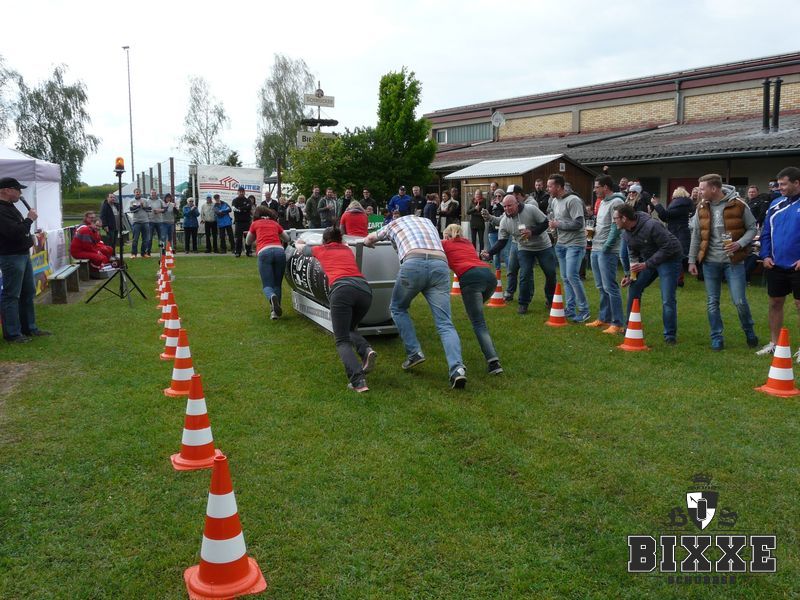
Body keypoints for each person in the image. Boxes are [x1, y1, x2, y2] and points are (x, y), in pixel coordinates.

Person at [364, 215, 467, 389]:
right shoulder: (428, 222)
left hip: (413, 264)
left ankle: (414, 353)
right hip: (440, 265)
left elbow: (369, 239)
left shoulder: (393, 224)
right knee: (445, 323)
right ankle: (457, 369)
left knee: (397, 308)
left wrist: (368, 243)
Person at [296, 226, 376, 392]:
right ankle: (365, 350)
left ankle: (358, 381)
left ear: (324, 241)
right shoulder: (347, 249)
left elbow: (301, 248)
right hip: (364, 291)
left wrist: (299, 241)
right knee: (349, 328)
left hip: (341, 291)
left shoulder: (320, 249)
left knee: (342, 340)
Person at [687, 174, 759, 351]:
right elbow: (696, 235)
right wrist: (691, 260)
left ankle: (749, 331)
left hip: (733, 261)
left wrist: (739, 243)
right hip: (710, 262)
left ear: (714, 188)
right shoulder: (701, 207)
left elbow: (752, 228)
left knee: (739, 301)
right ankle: (716, 337)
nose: (699, 192)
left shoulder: (738, 204)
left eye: (702, 188)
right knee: (712, 302)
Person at [616, 203, 683, 345]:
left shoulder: (652, 225)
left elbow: (668, 247)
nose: (614, 221)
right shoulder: (626, 233)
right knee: (634, 288)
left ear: (624, 218)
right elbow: (633, 254)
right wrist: (630, 276)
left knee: (667, 298)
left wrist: (646, 264)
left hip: (670, 258)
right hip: (649, 260)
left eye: (615, 218)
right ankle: (630, 327)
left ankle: (670, 336)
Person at [442, 224, 503, 374]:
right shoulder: (468, 242)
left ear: (447, 236)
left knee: (478, 323)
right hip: (489, 277)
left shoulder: (444, 244)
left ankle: (494, 362)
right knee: (476, 313)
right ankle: (474, 311)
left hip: (470, 279)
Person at [482, 193, 556, 314]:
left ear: (517, 203)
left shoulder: (530, 209)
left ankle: (551, 299)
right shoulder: (504, 222)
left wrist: (532, 232)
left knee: (550, 273)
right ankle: (523, 303)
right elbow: (502, 242)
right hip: (524, 248)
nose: (507, 209)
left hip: (543, 246)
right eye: (505, 206)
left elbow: (545, 223)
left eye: (509, 205)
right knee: (524, 274)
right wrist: (490, 253)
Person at [755, 166, 800, 358]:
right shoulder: (775, 204)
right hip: (775, 264)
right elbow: (766, 232)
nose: (779, 187)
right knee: (775, 302)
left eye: (783, 184)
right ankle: (774, 343)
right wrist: (765, 255)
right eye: (778, 184)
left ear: (796, 183)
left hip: (797, 265)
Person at [0, 177, 50, 342]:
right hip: (11, 256)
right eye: (17, 189)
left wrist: (27, 221)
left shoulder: (10, 207)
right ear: (7, 190)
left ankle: (29, 328)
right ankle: (13, 334)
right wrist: (29, 219)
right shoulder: (1, 209)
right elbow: (14, 232)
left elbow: (19, 230)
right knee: (12, 295)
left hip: (22, 254)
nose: (20, 193)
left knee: (27, 292)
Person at [548, 173, 590, 322]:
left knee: (572, 276)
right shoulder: (554, 201)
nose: (548, 189)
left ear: (559, 186)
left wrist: (558, 224)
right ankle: (570, 309)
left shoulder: (573, 200)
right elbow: (556, 220)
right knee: (566, 278)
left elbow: (578, 223)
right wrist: (554, 227)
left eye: (550, 186)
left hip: (575, 244)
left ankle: (584, 310)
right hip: (561, 244)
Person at [586, 175, 626, 333]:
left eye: (597, 187)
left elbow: (616, 227)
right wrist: (591, 233)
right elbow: (602, 225)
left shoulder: (616, 202)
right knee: (601, 286)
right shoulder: (602, 202)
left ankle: (617, 323)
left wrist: (607, 246)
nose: (594, 190)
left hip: (607, 250)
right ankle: (604, 318)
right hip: (596, 247)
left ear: (606, 187)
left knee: (610, 286)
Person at [245, 206, 290, 320]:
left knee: (267, 285)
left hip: (264, 252)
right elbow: (286, 238)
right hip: (279, 251)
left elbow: (248, 241)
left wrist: (257, 238)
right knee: (277, 284)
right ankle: (274, 313)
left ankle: (271, 296)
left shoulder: (255, 224)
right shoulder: (274, 223)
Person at [652, 187, 692, 284]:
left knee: (677, 256)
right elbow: (666, 217)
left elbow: (666, 215)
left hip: (679, 233)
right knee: (676, 256)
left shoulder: (680, 205)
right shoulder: (682, 205)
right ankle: (676, 278)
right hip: (678, 232)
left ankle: (678, 279)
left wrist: (656, 204)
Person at [486, 189, 507, 270]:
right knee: (495, 252)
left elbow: (504, 211)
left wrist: (498, 204)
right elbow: (488, 214)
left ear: (503, 196)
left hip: (502, 230)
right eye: (496, 196)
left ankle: (509, 269)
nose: (497, 197)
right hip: (492, 231)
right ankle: (497, 270)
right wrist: (491, 206)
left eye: (499, 196)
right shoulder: (493, 205)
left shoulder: (505, 205)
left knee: (504, 252)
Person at [128, 187, 152, 258]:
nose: (138, 193)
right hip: (136, 222)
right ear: (134, 193)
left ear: (140, 193)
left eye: (139, 192)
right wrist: (139, 206)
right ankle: (133, 254)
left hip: (145, 221)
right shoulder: (132, 201)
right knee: (135, 239)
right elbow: (131, 209)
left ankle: (143, 253)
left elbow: (149, 209)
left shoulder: (145, 200)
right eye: (136, 192)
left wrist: (143, 207)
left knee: (145, 239)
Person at [232, 186, 253, 257]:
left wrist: (240, 209)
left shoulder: (248, 200)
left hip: (247, 222)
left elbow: (248, 207)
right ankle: (238, 252)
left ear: (244, 192)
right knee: (238, 238)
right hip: (238, 222)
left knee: (248, 237)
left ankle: (249, 251)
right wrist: (243, 209)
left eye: (242, 192)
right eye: (240, 192)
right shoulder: (235, 200)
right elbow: (234, 209)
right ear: (237, 192)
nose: (241, 193)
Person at [146, 189, 163, 255]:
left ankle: (162, 251)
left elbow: (164, 209)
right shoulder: (147, 201)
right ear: (150, 194)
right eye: (152, 193)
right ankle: (148, 252)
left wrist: (159, 210)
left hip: (159, 221)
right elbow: (145, 209)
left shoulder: (160, 200)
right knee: (149, 238)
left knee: (161, 237)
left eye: (154, 193)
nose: (153, 194)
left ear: (156, 194)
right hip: (150, 221)